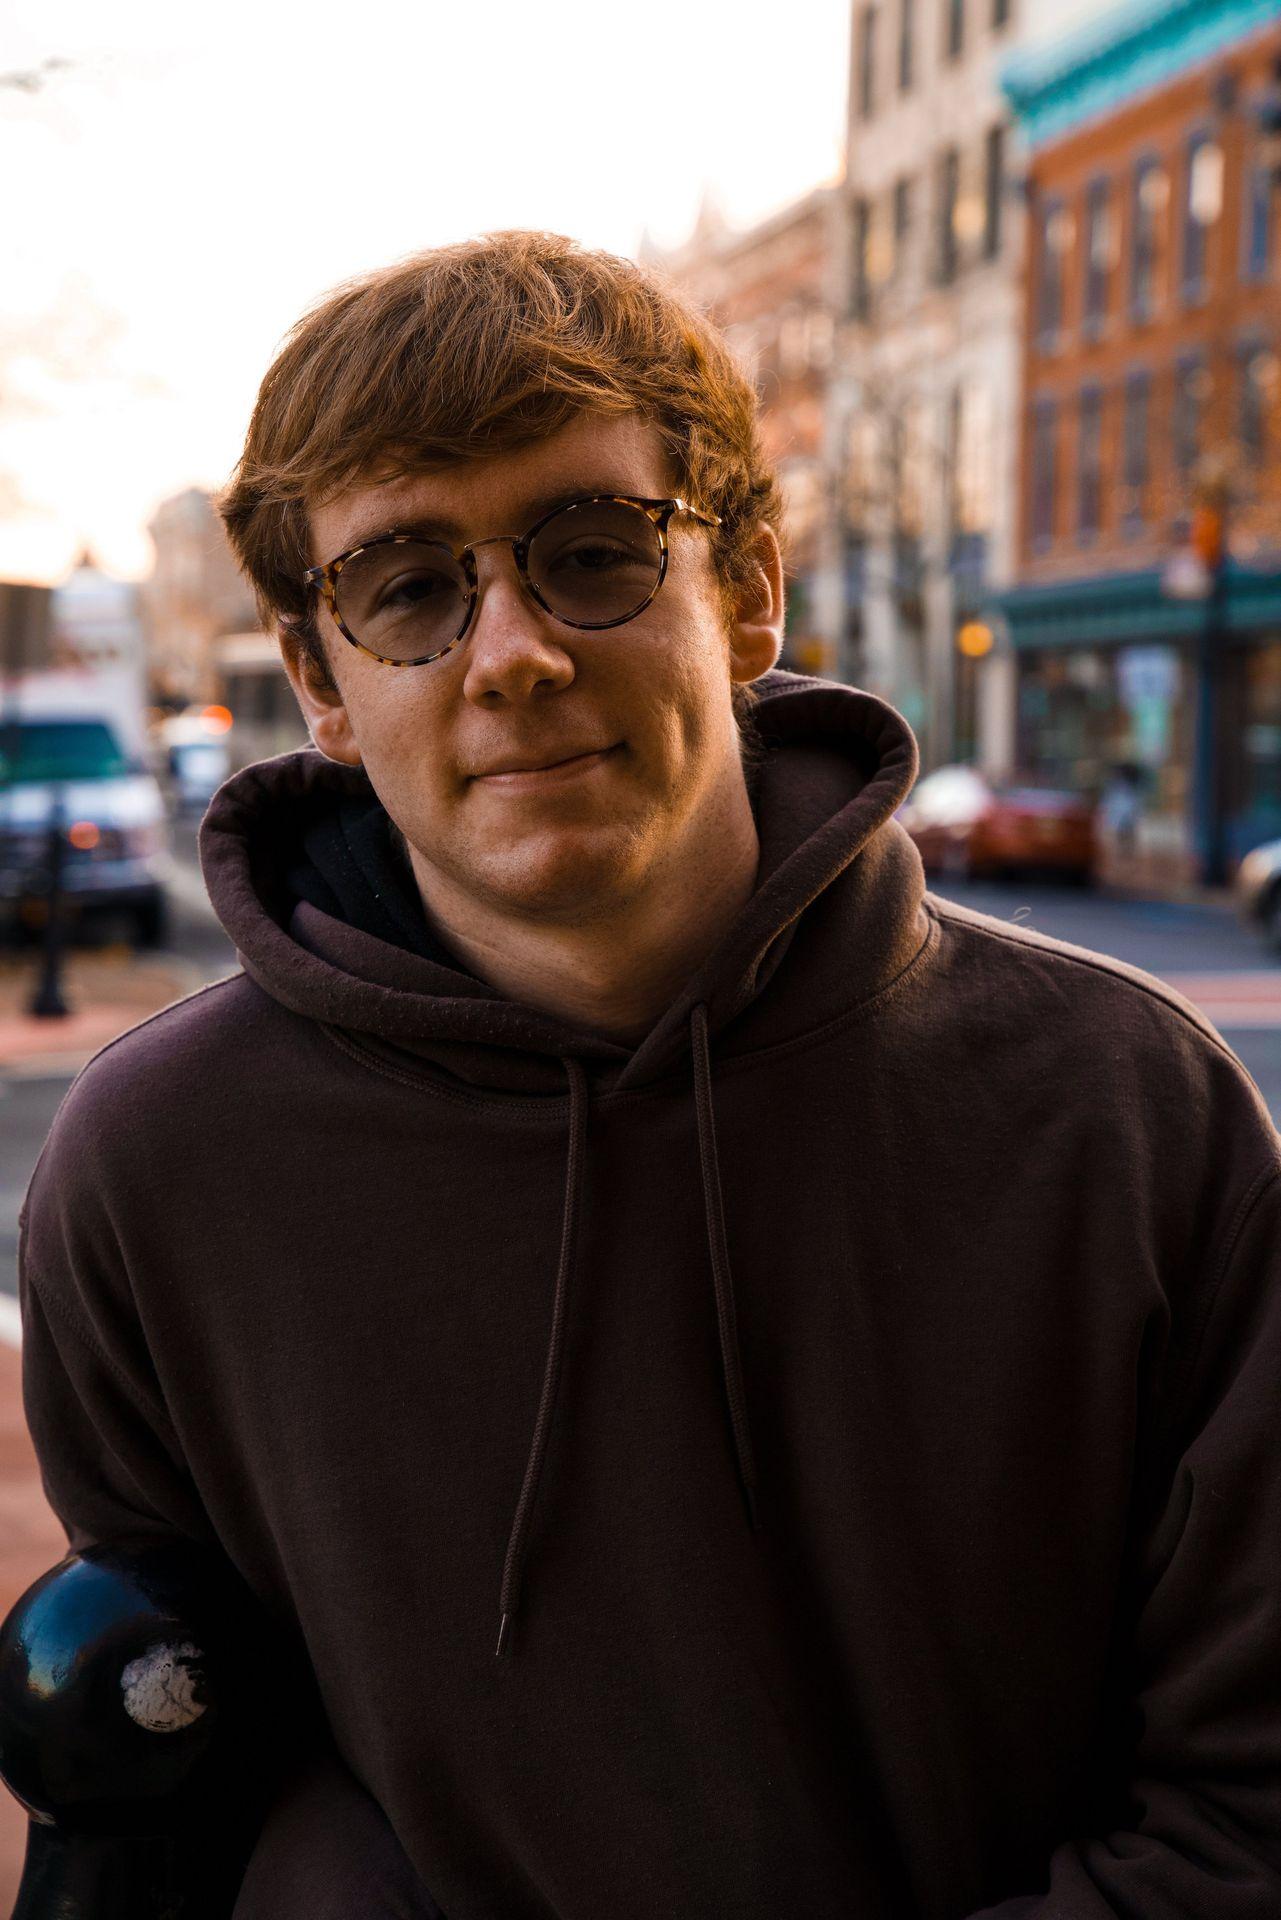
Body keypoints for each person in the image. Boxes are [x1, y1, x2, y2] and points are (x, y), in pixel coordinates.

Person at [18, 232, 1281, 1919]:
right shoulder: (158, 1171)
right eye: (407, 586)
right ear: (319, 677)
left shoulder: (1132, 1113)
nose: (513, 652)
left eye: (593, 553)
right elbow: (181, 1787)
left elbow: (1246, 1817)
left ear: (746, 587)